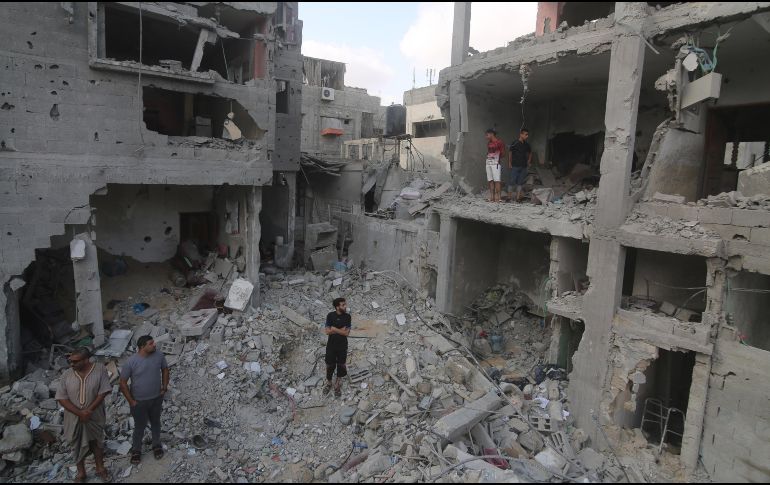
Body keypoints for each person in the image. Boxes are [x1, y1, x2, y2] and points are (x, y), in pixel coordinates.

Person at [55, 347, 112, 483]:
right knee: (76, 444)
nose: (72, 364)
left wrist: (89, 410)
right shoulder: (67, 374)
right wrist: (80, 413)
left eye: (75, 361)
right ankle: (81, 473)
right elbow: (61, 397)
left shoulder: (99, 370)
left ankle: (100, 468)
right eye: (70, 361)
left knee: (96, 442)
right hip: (74, 418)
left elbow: (103, 391)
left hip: (94, 415)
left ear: (86, 360)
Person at [119, 335, 169, 465]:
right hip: (139, 401)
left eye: (153, 343)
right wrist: (131, 401)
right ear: (142, 347)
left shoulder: (159, 356)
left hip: (156, 398)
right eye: (151, 343)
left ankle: (156, 445)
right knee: (139, 426)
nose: (154, 345)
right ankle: (136, 450)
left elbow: (165, 369)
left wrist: (164, 387)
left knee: (156, 422)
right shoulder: (131, 362)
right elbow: (123, 383)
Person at [324, 297, 351, 397]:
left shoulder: (347, 317)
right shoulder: (330, 316)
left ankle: (337, 384)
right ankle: (329, 382)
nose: (345, 306)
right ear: (337, 307)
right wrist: (341, 330)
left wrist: (334, 328)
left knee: (341, 365)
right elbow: (327, 331)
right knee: (329, 364)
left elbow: (346, 333)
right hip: (331, 345)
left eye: (345, 304)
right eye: (343, 305)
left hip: (342, 346)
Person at [508, 127, 532, 202]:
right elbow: (510, 153)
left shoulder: (526, 144)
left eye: (527, 135)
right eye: (525, 134)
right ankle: (509, 197)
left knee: (520, 182)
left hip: (523, 166)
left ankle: (518, 198)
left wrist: (529, 160)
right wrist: (509, 162)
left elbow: (530, 152)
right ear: (521, 134)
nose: (527, 136)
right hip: (515, 165)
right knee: (512, 181)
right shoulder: (515, 143)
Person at [484, 128, 506, 202]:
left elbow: (503, 154)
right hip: (488, 163)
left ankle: (498, 197)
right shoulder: (489, 143)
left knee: (497, 180)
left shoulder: (499, 142)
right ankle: (492, 197)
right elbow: (488, 152)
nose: (486, 137)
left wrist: (496, 156)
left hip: (496, 164)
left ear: (492, 134)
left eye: (487, 135)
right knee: (490, 180)